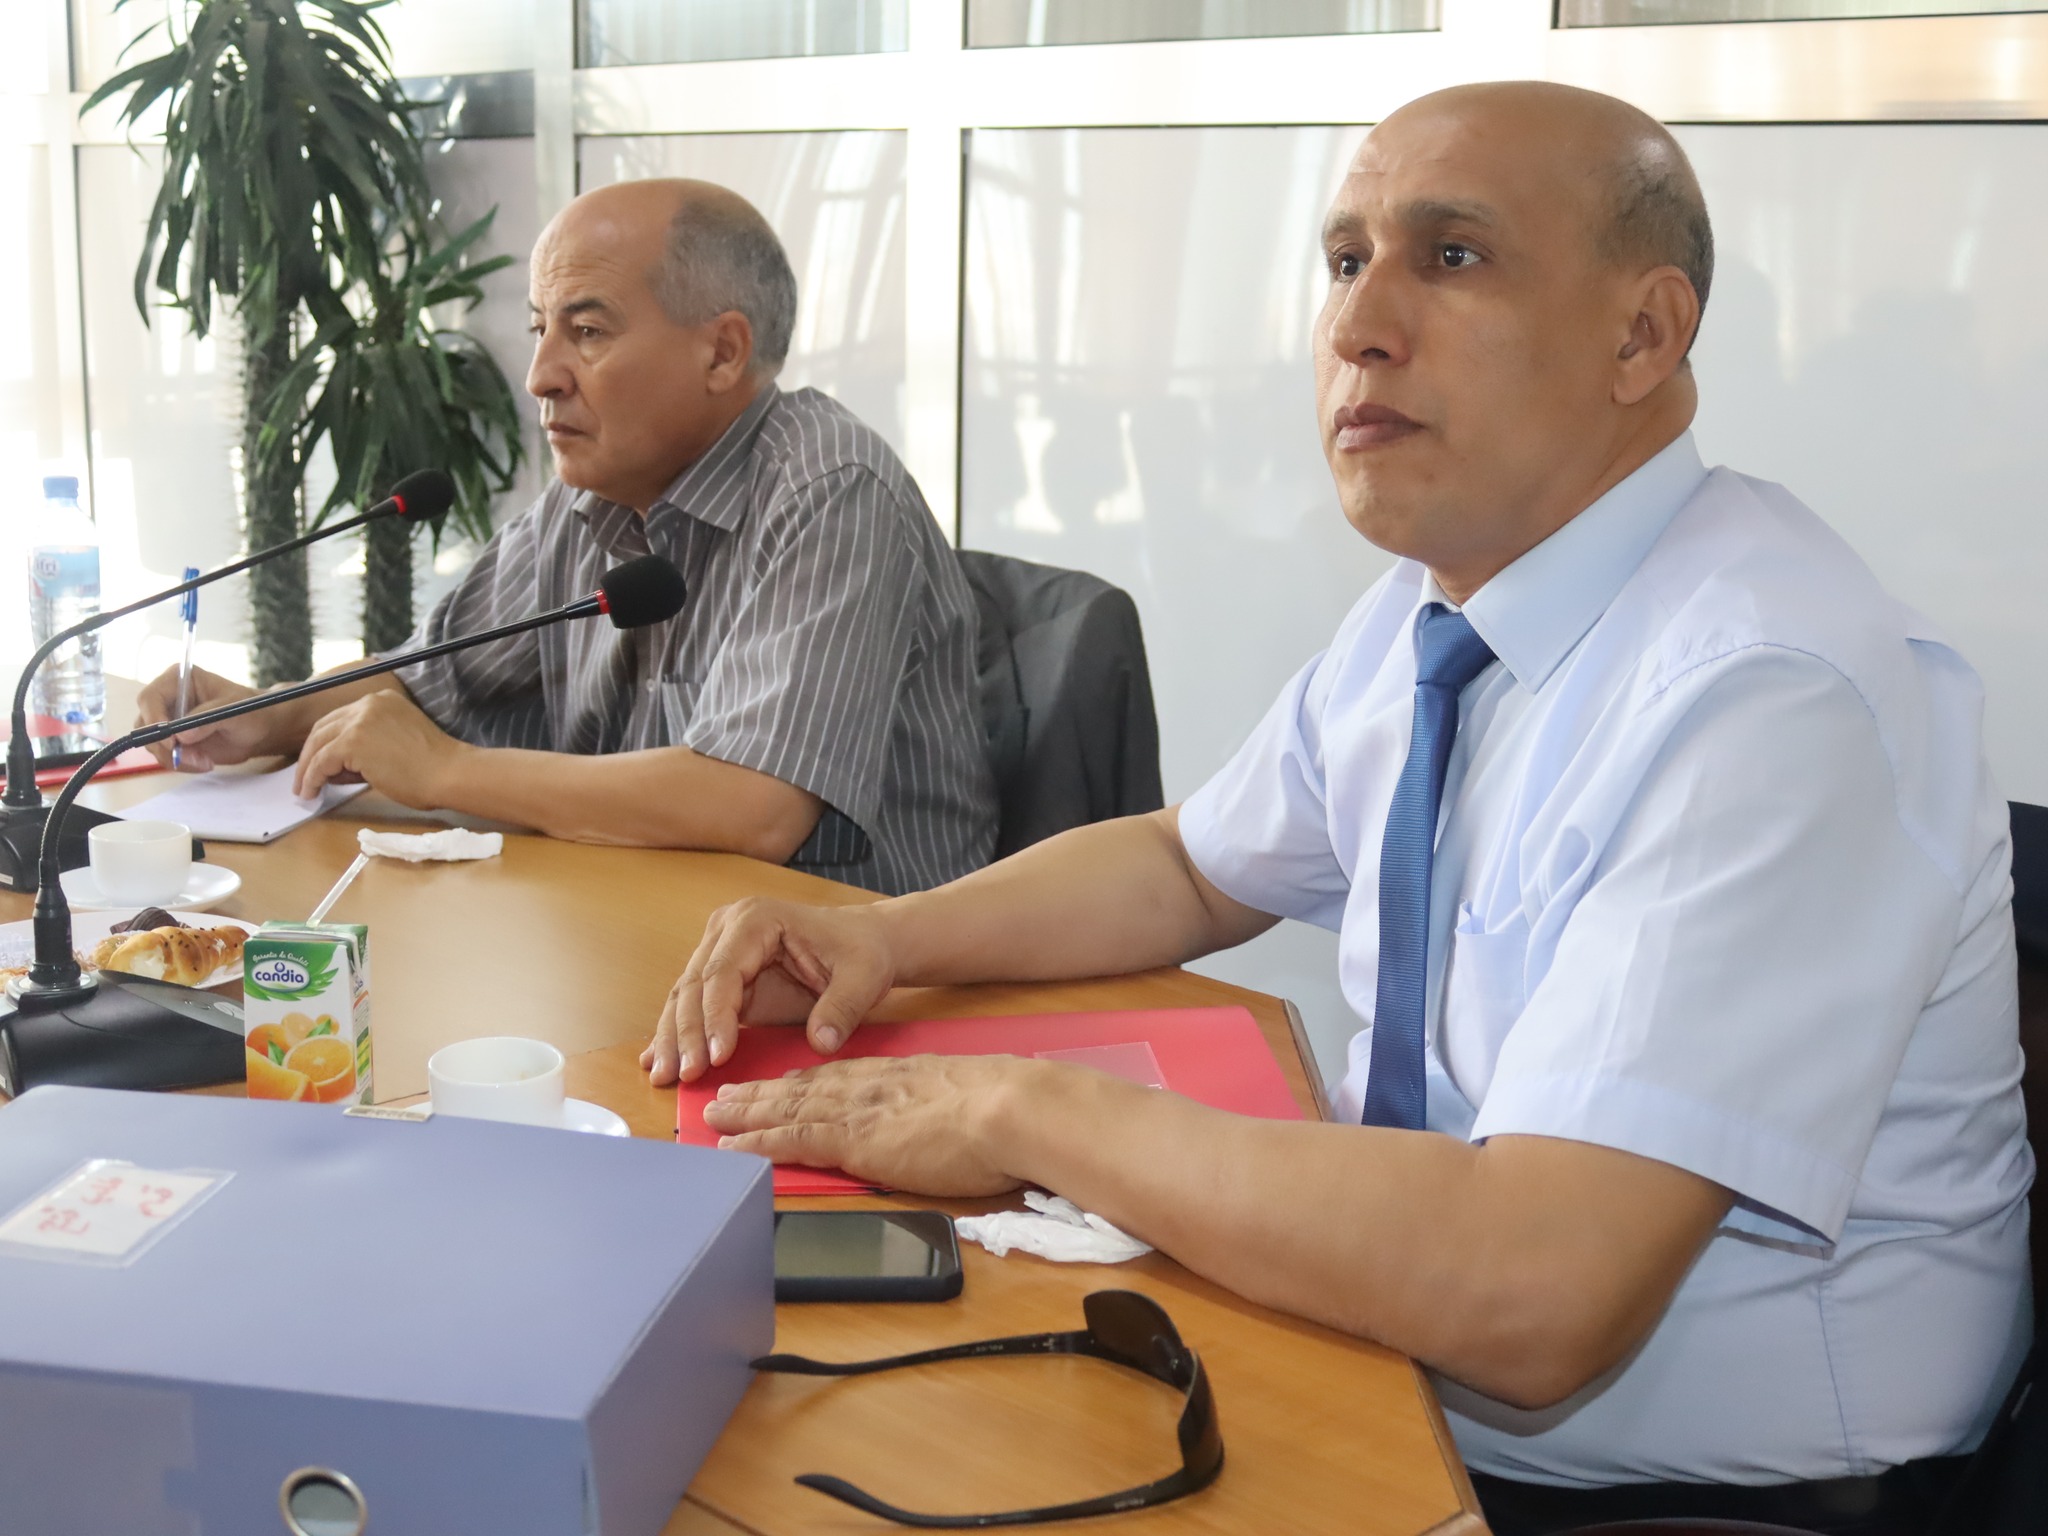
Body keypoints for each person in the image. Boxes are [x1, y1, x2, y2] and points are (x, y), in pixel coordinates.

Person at [640, 83, 2033, 1534]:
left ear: (1642, 334)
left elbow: (1537, 1291)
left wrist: (1021, 1109)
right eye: (1345, 260)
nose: (1357, 324)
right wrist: (883, 939)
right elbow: (1188, 865)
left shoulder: (1767, 691)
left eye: (1452, 256)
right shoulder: (1438, 606)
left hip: (1699, 1496)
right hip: (1392, 1357)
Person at [137, 179, 997, 895]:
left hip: (872, 987)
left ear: (723, 353)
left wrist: (445, 772)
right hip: (646, 928)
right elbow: (430, 679)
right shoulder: (586, 498)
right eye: (539, 328)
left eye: (586, 332)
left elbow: (755, 806)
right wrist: (267, 713)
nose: (541, 375)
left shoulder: (831, 490)